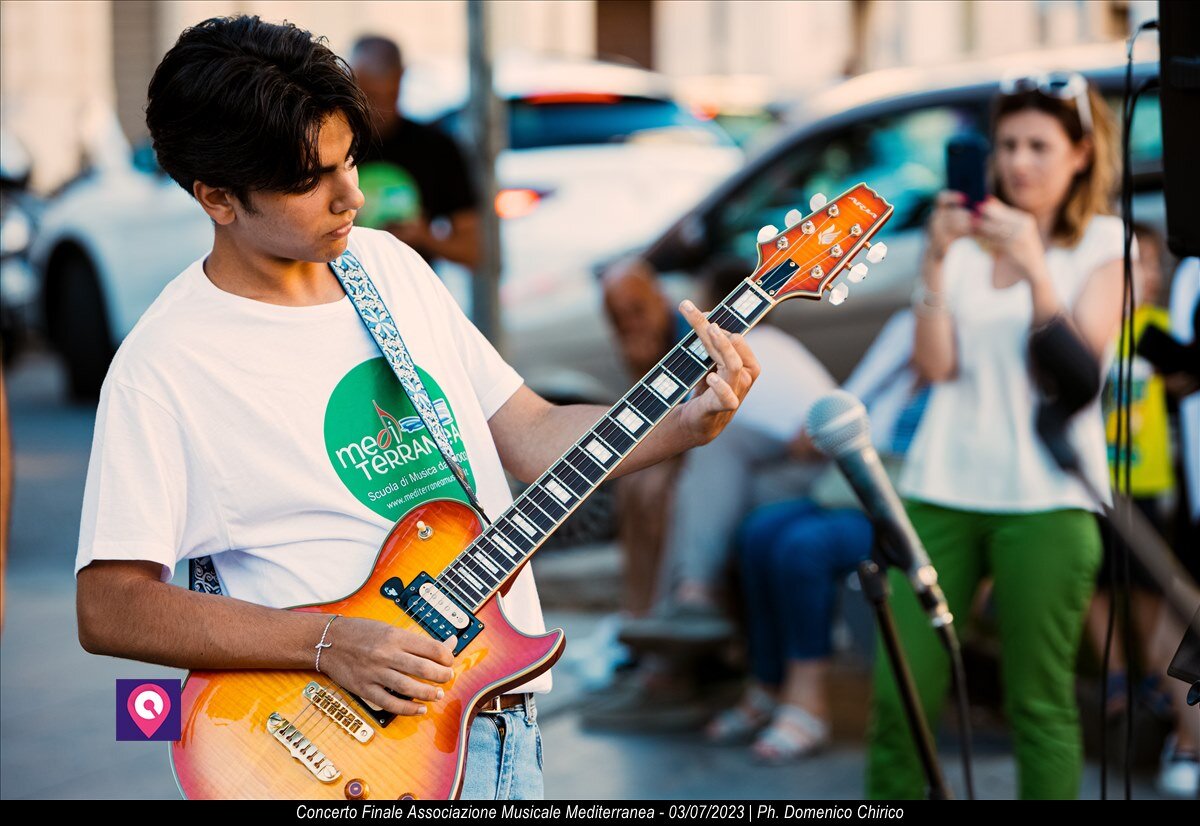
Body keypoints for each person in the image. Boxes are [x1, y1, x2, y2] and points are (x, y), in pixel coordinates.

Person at [72, 16, 760, 801]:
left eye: (351, 159)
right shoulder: (165, 364)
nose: (351, 196)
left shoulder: (389, 268)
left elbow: (532, 434)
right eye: (309, 181)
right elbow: (109, 606)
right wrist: (329, 643)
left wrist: (681, 422)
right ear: (217, 198)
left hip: (496, 731)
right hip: (328, 757)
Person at [867, 72, 1127, 799]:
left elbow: (1075, 378)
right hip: (939, 485)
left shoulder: (1105, 243)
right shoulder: (968, 243)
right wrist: (935, 260)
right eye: (1008, 144)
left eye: (1040, 146)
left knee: (1039, 705)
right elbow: (934, 366)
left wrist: (1038, 268)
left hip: (1046, 497)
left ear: (1080, 154)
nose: (1019, 163)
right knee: (900, 702)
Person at [708, 310, 929, 763]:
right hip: (853, 482)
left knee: (803, 546)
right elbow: (857, 395)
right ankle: (767, 683)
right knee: (759, 531)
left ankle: (808, 701)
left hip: (911, 497)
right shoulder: (905, 325)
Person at [350, 35, 480, 269]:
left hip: (409, 293)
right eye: (369, 97)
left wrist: (424, 237)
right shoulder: (334, 144)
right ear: (352, 81)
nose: (380, 110)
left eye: (389, 96)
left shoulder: (435, 147)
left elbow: (475, 250)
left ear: (402, 78)